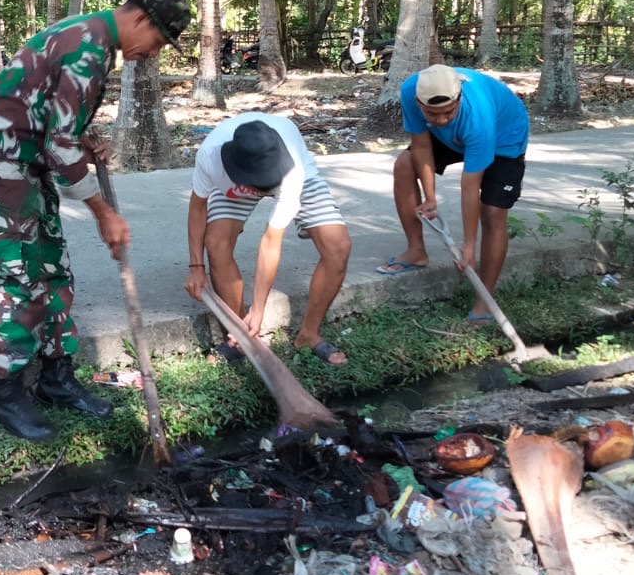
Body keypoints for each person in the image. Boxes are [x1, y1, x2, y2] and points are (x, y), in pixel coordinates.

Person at [0, 0, 192, 441]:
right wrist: (104, 212)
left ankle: (57, 378)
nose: (153, 53)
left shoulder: (96, 41)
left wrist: (82, 137)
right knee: (13, 277)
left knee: (52, 268)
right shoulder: (88, 47)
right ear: (140, 19)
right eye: (158, 41)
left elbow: (51, 118)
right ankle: (8, 390)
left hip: (23, 161)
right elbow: (58, 147)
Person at [182, 113, 353, 367]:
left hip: (294, 181)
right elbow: (197, 208)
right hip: (235, 182)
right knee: (217, 242)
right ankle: (240, 335)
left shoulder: (291, 170)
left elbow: (271, 241)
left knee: (338, 246)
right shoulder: (211, 156)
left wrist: (259, 307)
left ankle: (309, 335)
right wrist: (196, 267)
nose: (262, 191)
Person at [377, 65, 529, 323]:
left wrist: (468, 246)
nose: (441, 120)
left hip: (504, 135)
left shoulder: (477, 115)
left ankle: (484, 302)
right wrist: (430, 197)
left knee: (492, 213)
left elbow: (470, 184)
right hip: (453, 137)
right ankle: (416, 252)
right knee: (404, 165)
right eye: (432, 114)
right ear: (418, 101)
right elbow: (422, 144)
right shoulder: (409, 91)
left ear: (459, 98)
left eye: (448, 112)